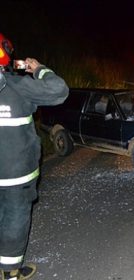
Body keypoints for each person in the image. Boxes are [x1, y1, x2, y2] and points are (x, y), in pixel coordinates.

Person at [0, 33, 69, 279]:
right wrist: (39, 69)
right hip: (16, 175)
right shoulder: (15, 84)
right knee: (14, 220)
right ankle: (10, 272)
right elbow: (59, 90)